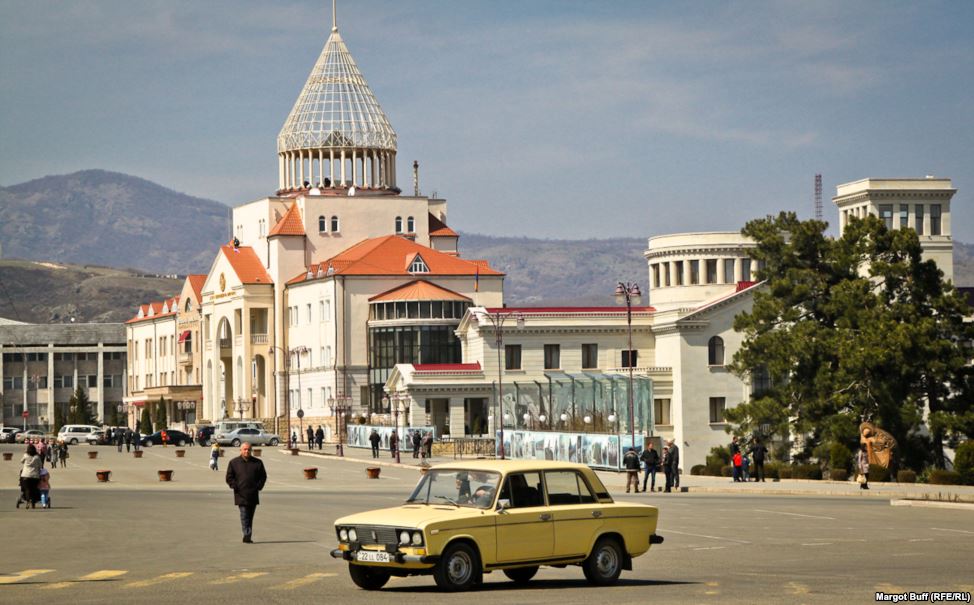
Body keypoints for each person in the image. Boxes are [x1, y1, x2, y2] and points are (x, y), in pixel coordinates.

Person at [226, 442, 267, 543]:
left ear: (251, 450)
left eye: (248, 449)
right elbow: (229, 477)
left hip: (253, 494)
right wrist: (235, 486)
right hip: (241, 494)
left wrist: (258, 487)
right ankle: (247, 534)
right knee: (244, 515)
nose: (247, 451)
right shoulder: (234, 462)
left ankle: (248, 534)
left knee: (250, 516)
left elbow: (263, 476)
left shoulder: (258, 463)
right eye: (244, 449)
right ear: (240, 450)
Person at [18, 444, 43, 509]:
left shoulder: (25, 456)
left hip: (25, 475)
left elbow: (21, 461)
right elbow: (40, 466)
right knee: (34, 489)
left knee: (27, 489)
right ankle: (33, 503)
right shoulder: (37, 457)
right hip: (35, 476)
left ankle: (28, 501)